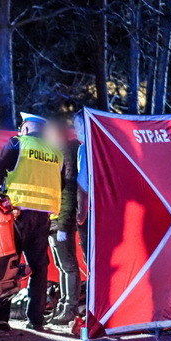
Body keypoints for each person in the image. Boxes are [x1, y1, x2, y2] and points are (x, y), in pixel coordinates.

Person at [0, 112, 63, 331]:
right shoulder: (56, 153)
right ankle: (36, 319)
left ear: (27, 128)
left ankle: (1, 318)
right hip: (43, 218)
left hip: (16, 213)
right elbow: (61, 186)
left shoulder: (16, 143)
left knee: (8, 265)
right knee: (39, 268)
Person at [44, 119, 80, 325]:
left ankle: (69, 308)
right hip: (53, 219)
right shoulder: (55, 155)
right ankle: (64, 305)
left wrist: (64, 223)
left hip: (60, 219)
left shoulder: (66, 153)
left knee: (68, 265)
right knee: (61, 265)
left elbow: (69, 190)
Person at [73, 111, 90, 265]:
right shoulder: (106, 146)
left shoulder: (85, 148)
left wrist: (81, 214)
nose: (75, 132)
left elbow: (83, 184)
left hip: (92, 213)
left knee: (91, 256)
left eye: (77, 127)